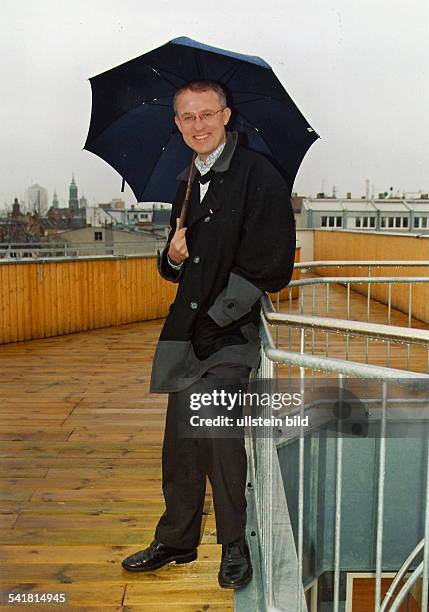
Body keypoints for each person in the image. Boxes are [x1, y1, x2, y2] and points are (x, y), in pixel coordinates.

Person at [122, 81, 296, 589]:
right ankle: (177, 539)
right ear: (177, 124)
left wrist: (218, 317)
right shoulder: (187, 180)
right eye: (187, 117)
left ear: (226, 116)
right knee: (179, 439)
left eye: (207, 115)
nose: (198, 125)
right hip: (187, 332)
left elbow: (273, 263)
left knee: (218, 433)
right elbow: (183, 263)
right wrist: (170, 259)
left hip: (226, 331)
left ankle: (234, 543)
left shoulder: (257, 175)